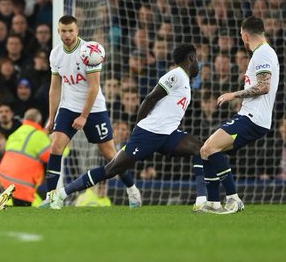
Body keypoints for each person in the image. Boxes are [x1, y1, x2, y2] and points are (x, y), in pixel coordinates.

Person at [47, 44, 208, 210]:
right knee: (111, 169)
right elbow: (150, 99)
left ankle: (202, 200)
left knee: (201, 149)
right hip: (148, 133)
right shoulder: (176, 75)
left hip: (167, 134)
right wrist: (138, 128)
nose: (198, 63)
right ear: (191, 59)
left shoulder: (185, 80)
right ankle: (62, 194)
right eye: (197, 59)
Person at [43, 15, 141, 207]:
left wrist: (84, 116)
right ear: (58, 31)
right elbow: (55, 87)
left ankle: (132, 189)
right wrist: (52, 117)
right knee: (56, 146)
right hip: (68, 107)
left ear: (77, 30)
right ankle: (51, 197)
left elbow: (94, 87)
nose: (67, 34)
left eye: (71, 30)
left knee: (111, 156)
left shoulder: (90, 51)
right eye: (63, 31)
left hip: (94, 109)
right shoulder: (55, 54)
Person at [201, 17, 280, 214]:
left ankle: (234, 200)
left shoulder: (262, 53)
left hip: (253, 118)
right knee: (207, 150)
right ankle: (212, 202)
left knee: (210, 147)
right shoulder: (264, 52)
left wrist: (233, 94)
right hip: (250, 115)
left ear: (245, 35)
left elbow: (264, 86)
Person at [0, 109, 51, 206]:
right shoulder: (39, 136)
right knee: (35, 209)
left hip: (4, 177)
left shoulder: (15, 133)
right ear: (39, 121)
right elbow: (52, 157)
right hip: (23, 182)